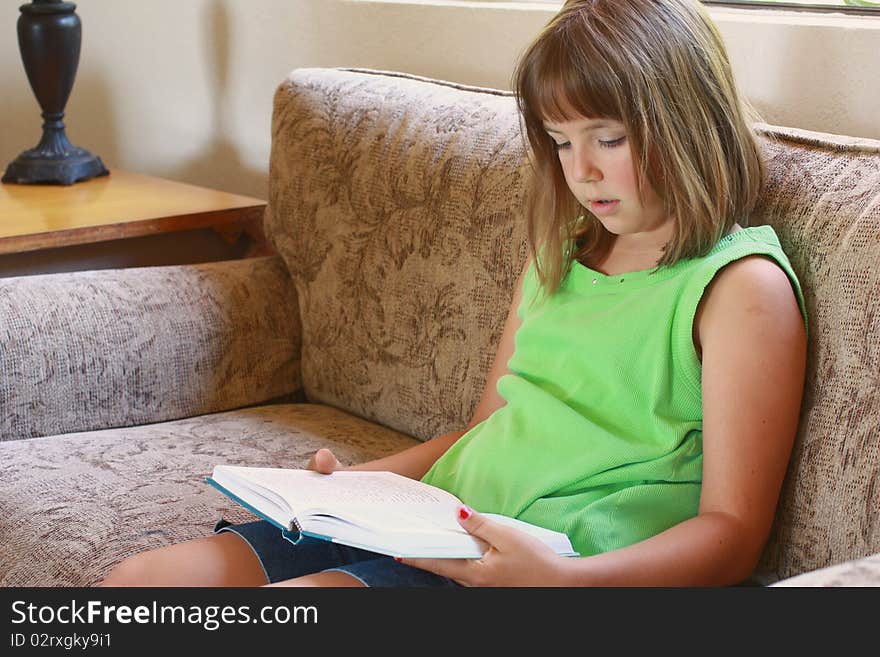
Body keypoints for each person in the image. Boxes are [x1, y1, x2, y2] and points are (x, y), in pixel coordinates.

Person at [99, 0, 807, 587]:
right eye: (561, 143)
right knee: (140, 586)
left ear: (689, 119)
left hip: (554, 567)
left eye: (609, 138)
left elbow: (734, 534)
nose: (582, 171)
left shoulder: (739, 288)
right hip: (438, 519)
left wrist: (562, 583)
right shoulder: (559, 258)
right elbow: (483, 432)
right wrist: (349, 486)